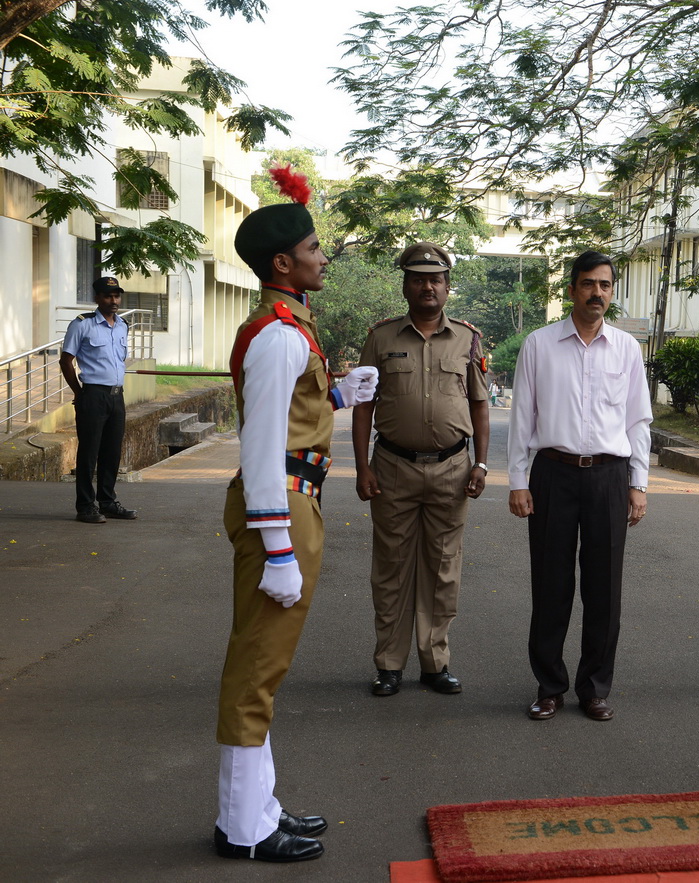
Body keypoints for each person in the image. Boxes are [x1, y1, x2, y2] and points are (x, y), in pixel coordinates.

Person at [213, 167, 379, 863]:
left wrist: (338, 396)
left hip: (292, 499)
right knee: (256, 670)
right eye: (313, 248)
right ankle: (242, 828)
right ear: (282, 264)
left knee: (266, 665)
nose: (322, 256)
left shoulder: (289, 327)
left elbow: (291, 414)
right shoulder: (280, 334)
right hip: (279, 507)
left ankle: (259, 805)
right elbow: (260, 444)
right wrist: (277, 546)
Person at [507, 250, 651, 722]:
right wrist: (518, 480)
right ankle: (550, 686)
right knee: (551, 584)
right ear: (571, 289)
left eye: (605, 285)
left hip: (610, 476)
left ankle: (594, 688)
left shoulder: (627, 349)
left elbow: (638, 421)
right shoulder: (539, 344)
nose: (597, 292)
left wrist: (638, 483)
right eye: (588, 283)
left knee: (604, 588)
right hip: (553, 473)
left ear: (612, 292)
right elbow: (522, 417)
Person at [353, 242, 490, 699]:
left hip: (453, 469)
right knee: (391, 568)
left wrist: (481, 463)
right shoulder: (381, 338)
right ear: (406, 286)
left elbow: (480, 405)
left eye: (435, 280)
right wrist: (362, 467)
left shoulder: (468, 339)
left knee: (443, 568)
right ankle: (389, 664)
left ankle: (435, 662)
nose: (427, 286)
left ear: (447, 288)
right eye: (418, 279)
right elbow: (363, 406)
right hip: (392, 468)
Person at [60, 276, 136, 524]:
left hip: (116, 396)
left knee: (112, 452)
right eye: (108, 296)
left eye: (116, 296)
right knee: (89, 452)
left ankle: (108, 502)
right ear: (97, 298)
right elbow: (66, 360)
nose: (114, 300)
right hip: (93, 395)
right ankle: (85, 506)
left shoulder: (123, 325)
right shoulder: (82, 325)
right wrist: (78, 392)